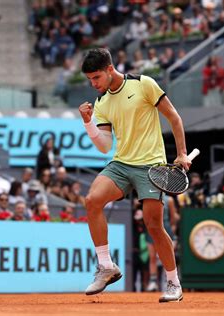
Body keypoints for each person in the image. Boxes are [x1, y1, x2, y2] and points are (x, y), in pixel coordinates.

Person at [78, 48, 191, 302]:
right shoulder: (102, 102)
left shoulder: (144, 84)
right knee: (92, 200)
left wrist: (182, 153)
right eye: (90, 80)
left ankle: (173, 283)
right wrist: (88, 122)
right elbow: (106, 145)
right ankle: (106, 266)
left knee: (153, 224)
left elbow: (173, 117)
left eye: (96, 77)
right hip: (121, 164)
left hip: (151, 165)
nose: (93, 84)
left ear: (109, 69)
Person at [145, 196, 179, 292]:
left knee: (166, 256)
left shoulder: (169, 200)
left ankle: (170, 281)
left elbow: (173, 217)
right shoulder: (148, 197)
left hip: (165, 228)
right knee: (152, 257)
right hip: (151, 228)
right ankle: (153, 282)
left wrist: (172, 229)